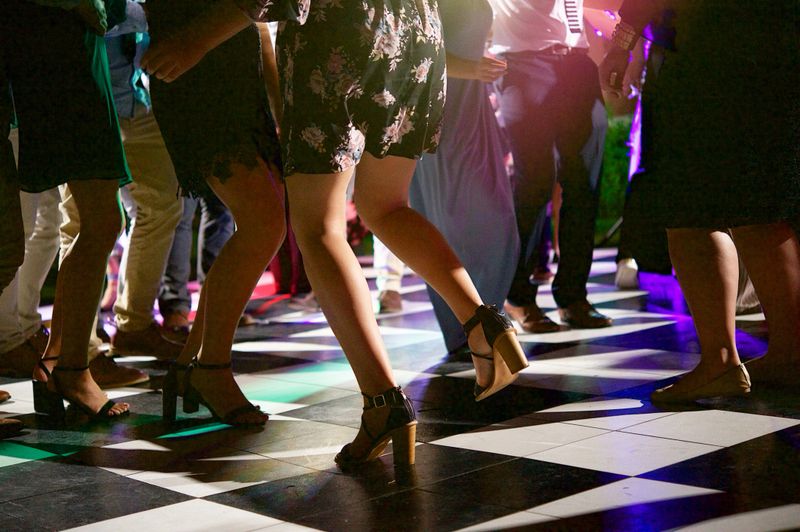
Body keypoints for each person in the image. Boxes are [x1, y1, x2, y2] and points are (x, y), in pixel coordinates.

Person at [143, 0, 529, 470]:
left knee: (319, 226)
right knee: (387, 206)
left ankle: (382, 402)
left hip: (341, 38)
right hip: (415, 38)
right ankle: (484, 321)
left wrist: (196, 38)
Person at [601, 0, 800, 400]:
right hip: (777, 48)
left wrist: (622, 42)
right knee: (761, 204)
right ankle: (790, 354)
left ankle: (720, 361)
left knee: (689, 208)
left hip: (701, 51)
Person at [144, 0, 286, 426]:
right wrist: (195, 39)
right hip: (197, 71)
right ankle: (210, 368)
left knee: (264, 221)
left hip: (232, 71)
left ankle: (192, 364)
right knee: (264, 223)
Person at [3, 0, 133, 420]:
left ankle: (62, 362)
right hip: (56, 51)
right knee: (99, 220)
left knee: (99, 220)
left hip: (73, 48)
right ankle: (69, 366)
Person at [489, 0, 618, 333]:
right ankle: (518, 295)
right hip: (522, 62)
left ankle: (573, 296)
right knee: (535, 182)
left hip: (576, 62)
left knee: (584, 184)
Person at [409, 0, 519, 354]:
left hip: (473, 105)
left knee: (498, 217)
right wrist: (472, 68)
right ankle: (466, 326)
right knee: (452, 220)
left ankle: (485, 315)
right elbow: (414, 47)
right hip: (440, 109)